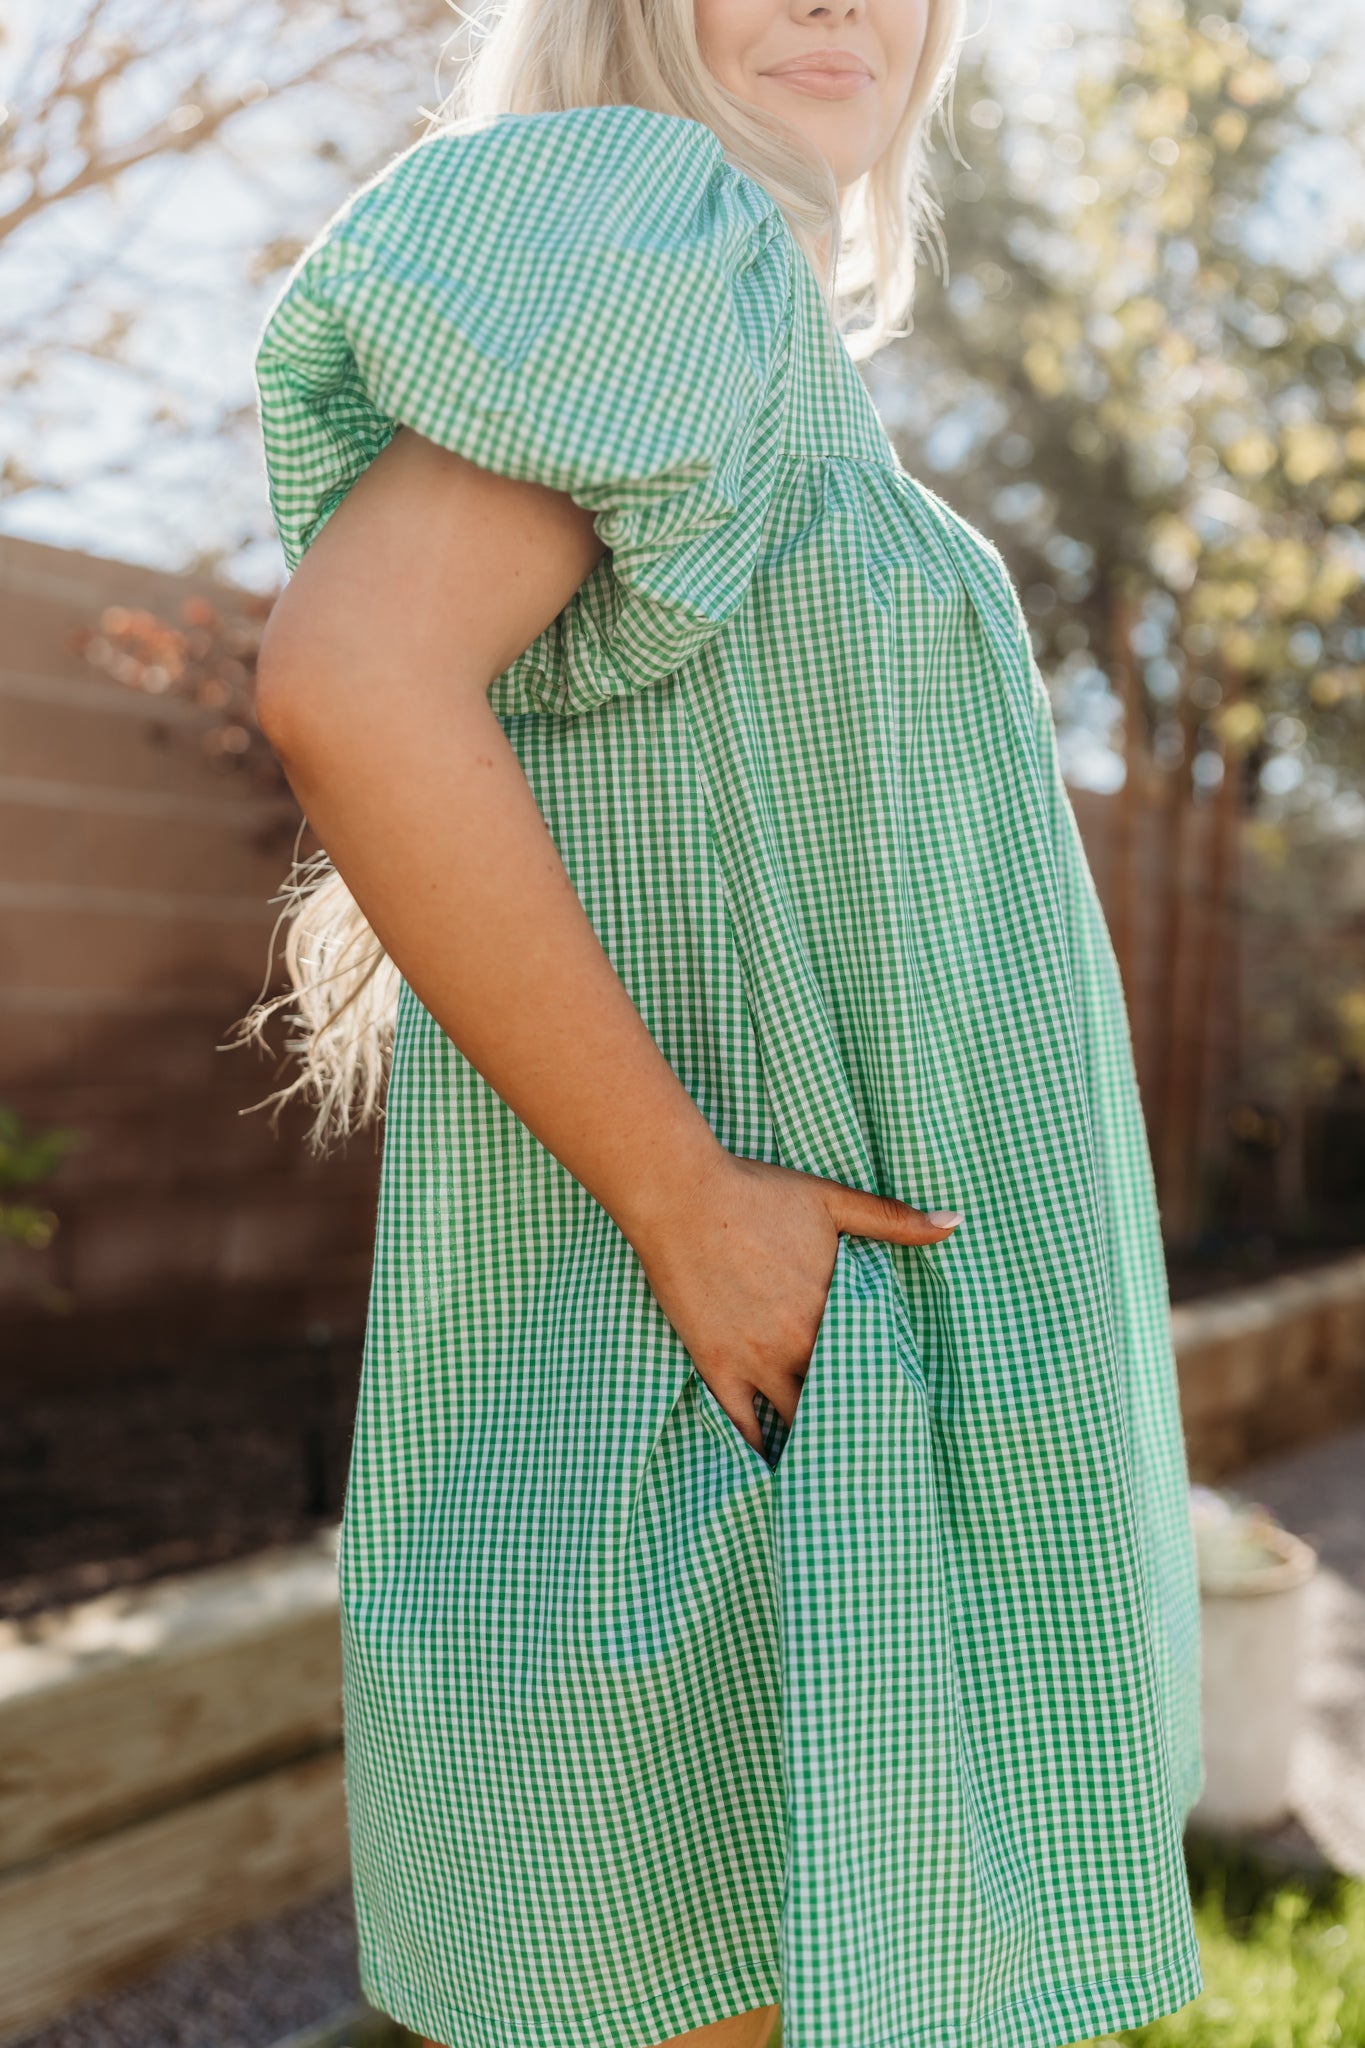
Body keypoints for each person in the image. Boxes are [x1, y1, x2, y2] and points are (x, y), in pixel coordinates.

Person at [242, 1, 1206, 2045]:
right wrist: (691, 1202)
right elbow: (354, 678)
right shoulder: (644, 216)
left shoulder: (734, 319)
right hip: (727, 1405)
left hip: (797, 1399)